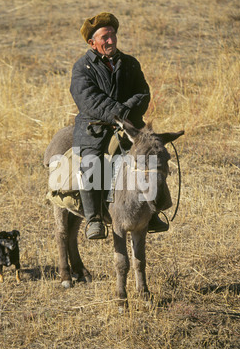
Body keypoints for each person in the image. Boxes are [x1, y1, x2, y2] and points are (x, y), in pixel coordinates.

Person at [70, 12, 168, 239]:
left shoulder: (130, 63)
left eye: (113, 35)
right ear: (91, 43)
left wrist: (126, 117)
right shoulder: (81, 68)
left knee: (151, 158)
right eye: (104, 37)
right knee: (92, 164)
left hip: (131, 128)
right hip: (93, 128)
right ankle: (94, 218)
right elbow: (88, 100)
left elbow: (142, 94)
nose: (111, 41)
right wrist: (122, 113)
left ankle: (153, 212)